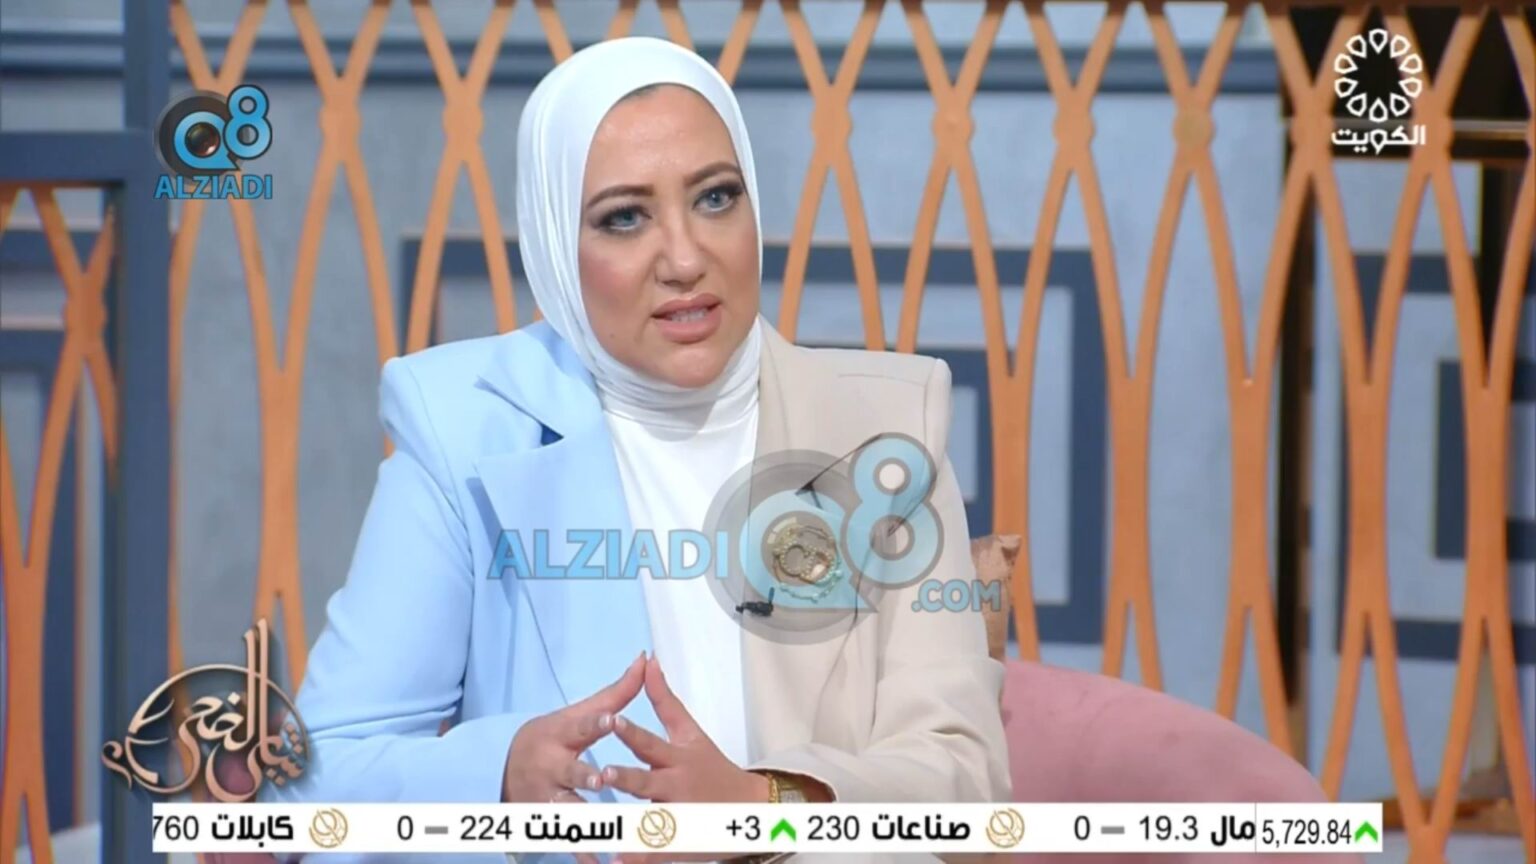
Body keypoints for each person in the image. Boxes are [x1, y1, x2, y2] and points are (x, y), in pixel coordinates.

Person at [267, 36, 1009, 861]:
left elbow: (963, 783)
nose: (686, 259)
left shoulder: (883, 430)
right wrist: (500, 775)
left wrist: (765, 808)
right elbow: (311, 783)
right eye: (625, 218)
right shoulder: (465, 429)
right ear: (557, 244)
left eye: (716, 198)